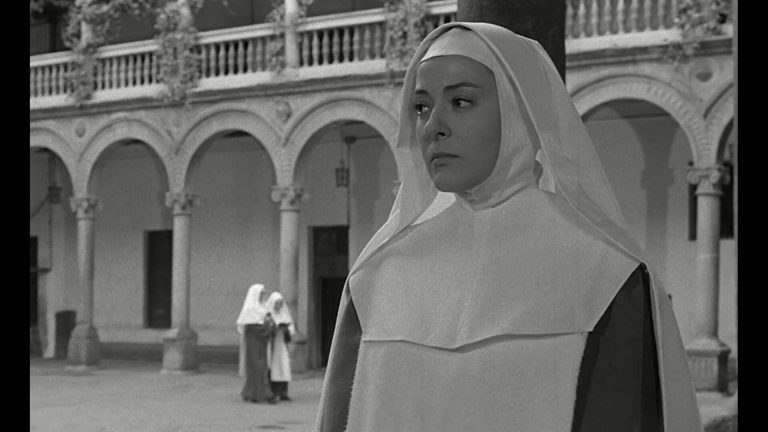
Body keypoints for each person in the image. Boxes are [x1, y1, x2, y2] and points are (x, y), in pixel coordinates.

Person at [314, 22, 702, 432]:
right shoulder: (376, 278)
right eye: (421, 107)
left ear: (519, 112)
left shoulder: (605, 278)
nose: (432, 126)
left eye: (461, 101)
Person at [236, 283, 278, 404]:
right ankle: (265, 394)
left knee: (261, 368)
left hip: (262, 345)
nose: (263, 295)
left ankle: (251, 393)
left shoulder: (262, 308)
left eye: (264, 293)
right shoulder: (250, 310)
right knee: (257, 368)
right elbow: (255, 329)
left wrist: (270, 325)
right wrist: (268, 325)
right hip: (254, 344)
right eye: (261, 293)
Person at [266, 291, 296, 402]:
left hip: (282, 345)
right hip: (272, 345)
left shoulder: (284, 314)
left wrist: (285, 329)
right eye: (277, 303)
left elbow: (291, 328)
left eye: (280, 303)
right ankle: (274, 393)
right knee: (274, 368)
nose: (279, 306)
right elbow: (266, 328)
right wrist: (274, 329)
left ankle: (284, 392)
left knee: (284, 367)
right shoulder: (269, 315)